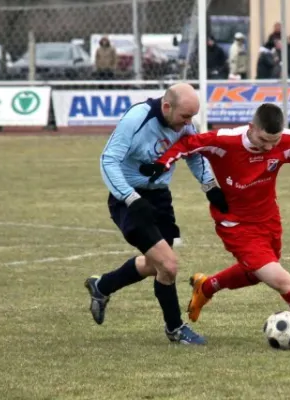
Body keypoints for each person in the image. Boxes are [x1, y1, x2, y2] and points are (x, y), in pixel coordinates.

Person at [141, 103, 290, 345]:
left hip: (269, 221)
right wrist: (163, 162)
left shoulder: (289, 142)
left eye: (274, 141)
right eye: (264, 140)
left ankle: (206, 287)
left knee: (257, 273)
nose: (269, 147)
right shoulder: (225, 141)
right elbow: (187, 145)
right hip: (234, 224)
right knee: (282, 281)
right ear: (251, 128)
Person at [84, 83, 228, 345]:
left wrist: (210, 187)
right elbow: (108, 160)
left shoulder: (183, 123)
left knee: (155, 265)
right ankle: (175, 329)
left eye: (192, 117)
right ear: (166, 107)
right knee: (169, 265)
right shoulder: (137, 118)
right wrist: (130, 198)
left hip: (160, 197)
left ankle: (102, 286)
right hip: (128, 199)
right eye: (185, 116)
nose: (189, 123)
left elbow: (194, 154)